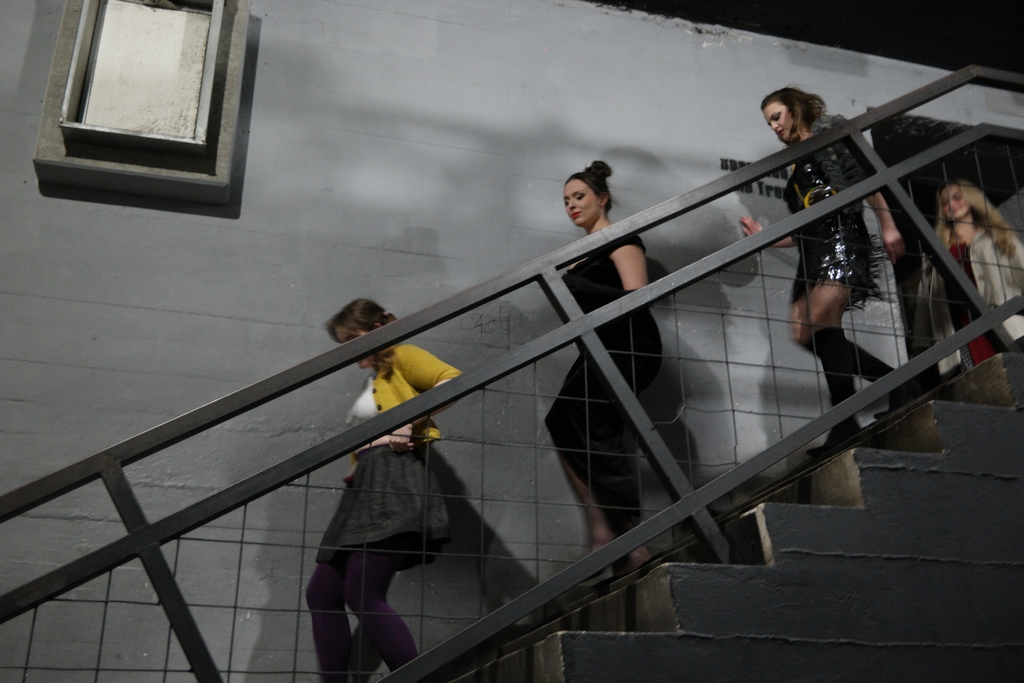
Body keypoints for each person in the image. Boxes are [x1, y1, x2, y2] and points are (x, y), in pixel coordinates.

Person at [739, 87, 911, 456]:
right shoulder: (796, 161)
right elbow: (805, 228)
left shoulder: (827, 134)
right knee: (803, 332)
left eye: (777, 116)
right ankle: (899, 384)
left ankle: (844, 422)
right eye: (768, 123)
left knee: (820, 320)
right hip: (813, 248)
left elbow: (866, 180)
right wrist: (765, 238)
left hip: (841, 236)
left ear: (794, 108)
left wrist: (888, 225)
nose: (774, 126)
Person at [305, 299, 460, 682]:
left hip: (393, 479)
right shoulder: (375, 377)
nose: (352, 355)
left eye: (353, 341)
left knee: (362, 592)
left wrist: (408, 423)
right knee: (322, 594)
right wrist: (356, 469)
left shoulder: (403, 355)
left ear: (377, 330)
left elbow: (452, 380)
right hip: (365, 486)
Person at [544, 161, 662, 576]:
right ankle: (604, 531)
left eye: (579, 197)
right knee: (562, 419)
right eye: (566, 201)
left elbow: (637, 297)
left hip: (631, 344)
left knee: (590, 423)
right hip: (599, 347)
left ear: (602, 199)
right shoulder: (580, 254)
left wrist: (577, 286)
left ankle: (626, 538)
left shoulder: (621, 238)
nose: (571, 206)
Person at [912, 180, 1024, 377]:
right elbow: (924, 301)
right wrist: (920, 343)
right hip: (962, 336)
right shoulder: (936, 253)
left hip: (1003, 326)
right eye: (945, 202)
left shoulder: (998, 237)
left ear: (971, 198)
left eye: (957, 197)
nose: (952, 204)